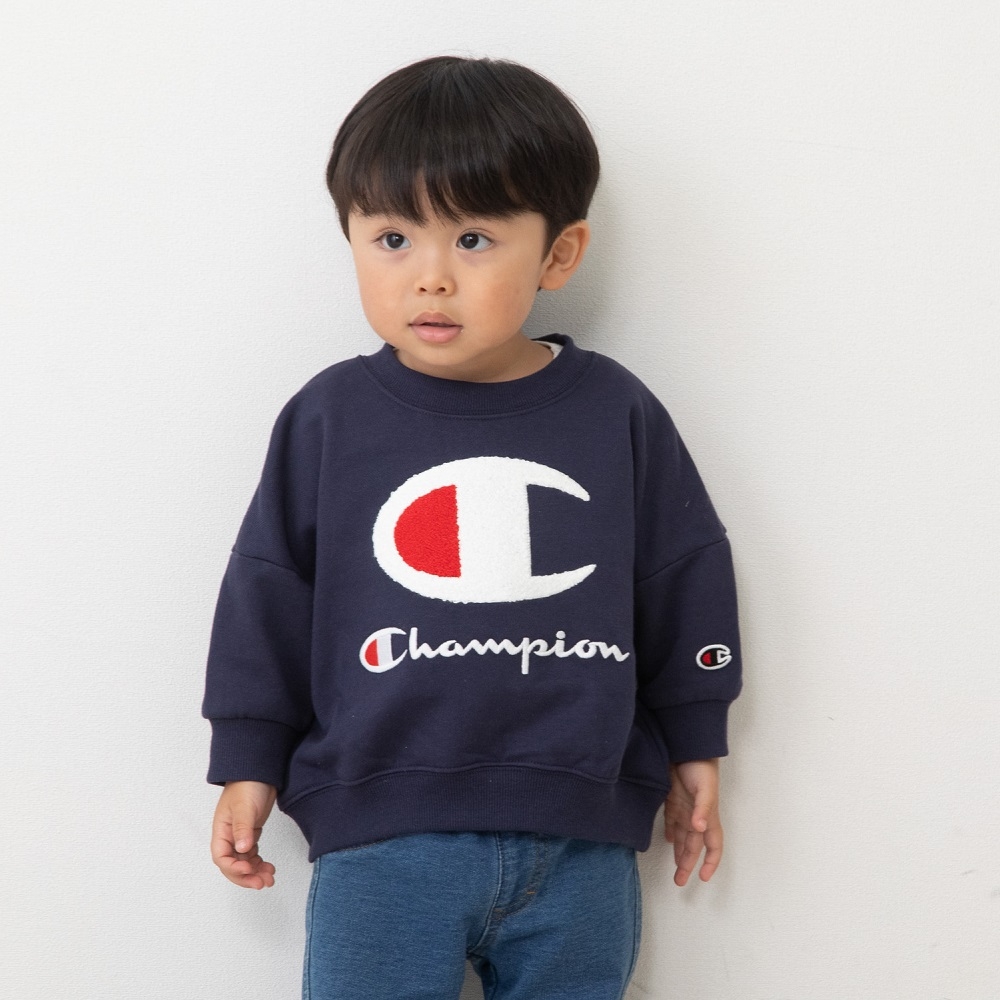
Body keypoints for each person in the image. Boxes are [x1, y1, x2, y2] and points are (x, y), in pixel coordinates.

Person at [203, 55, 742, 1000]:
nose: (432, 278)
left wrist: (696, 736)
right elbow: (268, 590)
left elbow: (680, 572)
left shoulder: (616, 412)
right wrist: (247, 759)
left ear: (560, 255)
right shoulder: (329, 418)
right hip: (381, 841)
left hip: (581, 840)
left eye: (476, 239)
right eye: (393, 238)